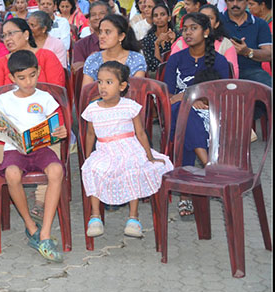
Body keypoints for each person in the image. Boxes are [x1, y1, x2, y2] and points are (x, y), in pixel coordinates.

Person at [0, 50, 68, 262]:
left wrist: (61, 131)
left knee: (56, 170)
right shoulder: (4, 100)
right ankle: (31, 226)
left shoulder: (45, 98)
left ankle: (45, 233)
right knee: (12, 174)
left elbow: (56, 125)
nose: (28, 82)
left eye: (32, 75)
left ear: (38, 71)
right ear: (12, 78)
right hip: (14, 149)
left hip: (41, 148)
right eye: (21, 78)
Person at [82, 61, 173, 238]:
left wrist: (149, 156)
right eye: (100, 82)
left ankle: (133, 218)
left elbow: (141, 133)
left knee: (133, 169)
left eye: (109, 82)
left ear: (122, 86)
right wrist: (87, 157)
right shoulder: (92, 109)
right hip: (105, 150)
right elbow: (90, 135)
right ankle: (95, 216)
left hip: (130, 148)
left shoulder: (129, 106)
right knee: (92, 169)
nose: (102, 86)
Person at [165, 13, 231, 218]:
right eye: (185, 29)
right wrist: (189, 100)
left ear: (206, 32)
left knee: (185, 122)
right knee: (182, 112)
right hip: (178, 114)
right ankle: (209, 166)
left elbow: (224, 97)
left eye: (193, 28)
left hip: (210, 116)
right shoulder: (176, 59)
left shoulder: (219, 61)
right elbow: (168, 97)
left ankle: (186, 194)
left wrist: (193, 100)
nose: (188, 32)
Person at [219, 0, 272, 95]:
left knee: (269, 88)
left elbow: (269, 54)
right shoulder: (217, 21)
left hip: (252, 72)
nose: (235, 4)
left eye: (239, 0)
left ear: (247, 1)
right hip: (221, 72)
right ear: (226, 2)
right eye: (231, 0)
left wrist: (247, 52)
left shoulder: (260, 24)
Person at [170, 4, 239, 79]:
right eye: (201, 17)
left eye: (210, 18)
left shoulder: (225, 44)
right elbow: (171, 70)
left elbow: (233, 75)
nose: (206, 21)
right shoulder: (182, 42)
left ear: (216, 24)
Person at [82, 15, 147, 89]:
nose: (101, 36)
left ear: (121, 36)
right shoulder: (93, 59)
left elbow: (136, 90)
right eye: (100, 32)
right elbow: (87, 92)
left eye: (107, 32)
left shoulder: (136, 59)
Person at [140, 5, 179, 73]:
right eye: (156, 15)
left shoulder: (177, 36)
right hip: (156, 75)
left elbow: (179, 61)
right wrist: (157, 44)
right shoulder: (147, 40)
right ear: (153, 20)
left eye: (162, 14)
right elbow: (153, 66)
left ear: (169, 18)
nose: (159, 17)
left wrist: (174, 43)